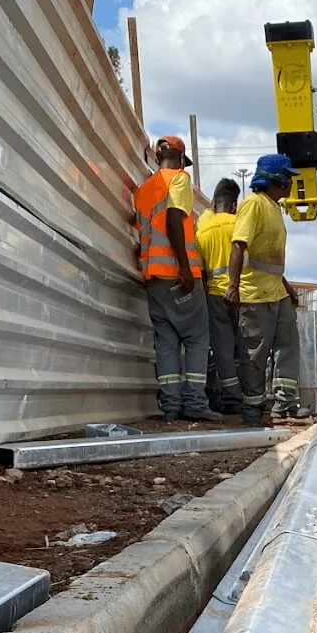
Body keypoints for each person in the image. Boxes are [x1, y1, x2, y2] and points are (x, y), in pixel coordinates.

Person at [134, 136, 220, 423]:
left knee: (167, 341)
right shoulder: (180, 180)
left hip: (153, 277)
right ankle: (195, 403)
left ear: (158, 157)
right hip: (178, 274)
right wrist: (185, 268)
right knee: (196, 338)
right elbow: (173, 219)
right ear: (181, 159)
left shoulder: (144, 189)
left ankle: (171, 406)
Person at [225, 153, 306, 426]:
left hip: (276, 292)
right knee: (255, 355)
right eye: (288, 179)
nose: (291, 185)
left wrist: (287, 286)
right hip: (255, 294)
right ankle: (253, 409)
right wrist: (233, 286)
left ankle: (285, 404)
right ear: (278, 180)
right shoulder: (253, 205)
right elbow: (239, 245)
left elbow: (270, 260)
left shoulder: (274, 208)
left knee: (288, 346)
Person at [196, 178, 252, 416]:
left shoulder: (202, 229)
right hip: (243, 294)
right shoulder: (239, 225)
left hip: (214, 297)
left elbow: (199, 269)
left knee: (222, 350)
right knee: (246, 349)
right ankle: (248, 394)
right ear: (233, 205)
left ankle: (231, 399)